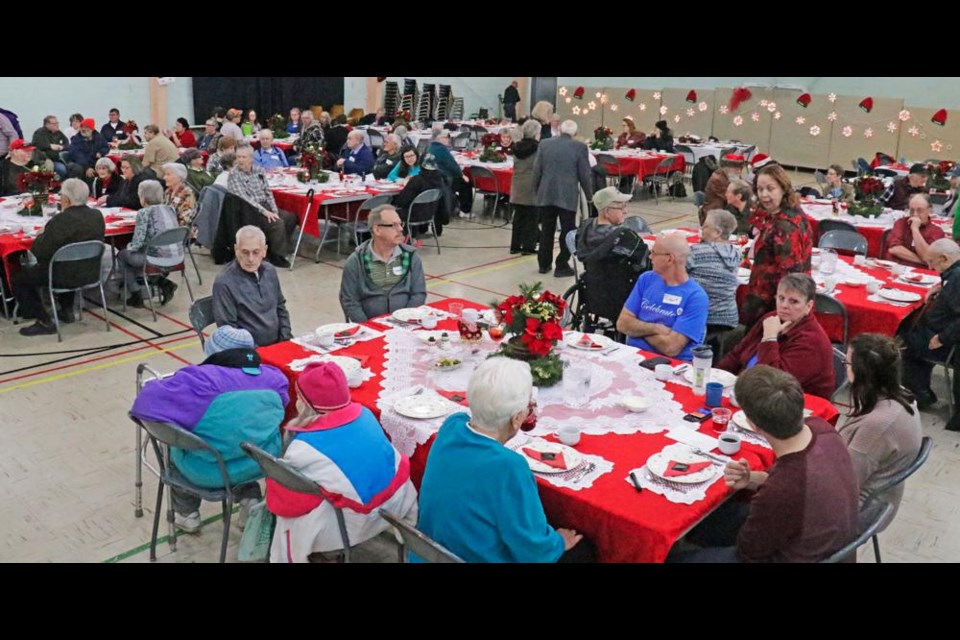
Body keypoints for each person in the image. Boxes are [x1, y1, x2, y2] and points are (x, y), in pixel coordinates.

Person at [674, 366, 859, 563]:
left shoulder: (783, 488)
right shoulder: (822, 429)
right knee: (712, 520)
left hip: (791, 554)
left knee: (674, 556)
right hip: (826, 538)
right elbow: (794, 486)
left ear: (753, 425)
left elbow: (749, 551)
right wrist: (752, 479)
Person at [417, 358, 592, 563]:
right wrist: (559, 542)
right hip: (471, 556)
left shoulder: (452, 425)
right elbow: (533, 551)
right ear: (517, 418)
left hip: (427, 552)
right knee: (582, 549)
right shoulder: (509, 466)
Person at [130, 325, 288, 534]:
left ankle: (187, 514)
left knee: (173, 445)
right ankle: (249, 499)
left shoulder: (198, 381)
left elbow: (146, 403)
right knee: (243, 437)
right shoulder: (275, 379)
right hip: (260, 464)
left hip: (209, 473)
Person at [268, 361, 418, 563]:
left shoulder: (303, 447)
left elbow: (287, 502)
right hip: (396, 506)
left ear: (305, 404)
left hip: (357, 523)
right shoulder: (365, 413)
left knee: (290, 522)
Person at [839, 334, 922, 518]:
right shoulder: (902, 395)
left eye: (847, 363)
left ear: (862, 372)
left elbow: (843, 484)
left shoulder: (876, 427)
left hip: (855, 512)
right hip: (873, 497)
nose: (844, 367)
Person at [717, 273, 834, 399]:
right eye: (781, 298)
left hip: (792, 405)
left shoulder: (812, 340)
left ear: (809, 306)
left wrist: (769, 338)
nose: (784, 305)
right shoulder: (771, 318)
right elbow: (737, 354)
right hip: (749, 390)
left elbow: (774, 384)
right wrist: (715, 378)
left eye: (793, 301)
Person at [13, 179, 106, 336]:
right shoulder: (97, 216)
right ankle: (66, 309)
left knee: (19, 278)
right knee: (67, 261)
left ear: (66, 199)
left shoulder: (61, 220)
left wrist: (43, 234)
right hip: (90, 271)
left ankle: (44, 320)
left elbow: (39, 251)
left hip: (63, 275)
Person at [898, 238, 960, 430]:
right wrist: (941, 287)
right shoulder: (954, 273)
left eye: (932, 263)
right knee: (912, 333)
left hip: (949, 342)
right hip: (944, 333)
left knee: (903, 341)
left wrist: (943, 338)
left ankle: (919, 393)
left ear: (944, 258)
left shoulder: (957, 278)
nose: (931, 268)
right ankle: (921, 390)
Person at [617, 232, 708, 361]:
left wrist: (637, 330)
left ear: (669, 259)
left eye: (653, 252)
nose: (649, 257)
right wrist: (656, 328)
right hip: (633, 357)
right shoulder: (646, 279)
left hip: (669, 366)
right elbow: (622, 324)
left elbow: (671, 348)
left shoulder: (696, 297)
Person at [741, 164, 812, 328]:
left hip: (772, 307)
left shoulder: (784, 226)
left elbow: (790, 276)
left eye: (770, 188)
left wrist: (782, 317)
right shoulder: (791, 212)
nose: (764, 194)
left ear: (783, 188)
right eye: (759, 189)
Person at [339, 205, 426, 322]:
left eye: (401, 224)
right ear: (377, 230)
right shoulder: (355, 261)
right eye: (394, 225)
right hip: (371, 328)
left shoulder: (411, 256)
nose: (400, 229)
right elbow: (350, 302)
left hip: (406, 324)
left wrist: (405, 320)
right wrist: (369, 327)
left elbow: (418, 294)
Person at [576, 187, 650, 324]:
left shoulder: (584, 229)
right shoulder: (625, 237)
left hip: (593, 294)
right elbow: (645, 264)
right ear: (607, 211)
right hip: (621, 298)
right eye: (621, 207)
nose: (625, 211)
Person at [212, 226, 293, 347]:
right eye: (245, 252)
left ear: (264, 251)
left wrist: (285, 341)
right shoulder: (224, 282)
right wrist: (258, 353)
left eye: (256, 252)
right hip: (250, 353)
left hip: (278, 345)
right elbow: (229, 332)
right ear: (236, 250)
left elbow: (280, 308)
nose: (250, 259)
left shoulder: (270, 271)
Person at [534, 119, 593, 278]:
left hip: (546, 193)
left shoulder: (544, 144)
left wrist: (536, 190)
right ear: (574, 132)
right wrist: (589, 196)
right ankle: (561, 264)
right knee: (568, 230)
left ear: (560, 130)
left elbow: (537, 170)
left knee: (547, 229)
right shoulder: (580, 147)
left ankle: (543, 264)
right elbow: (584, 175)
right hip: (567, 195)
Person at [116, 180, 183, 308]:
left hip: (155, 259)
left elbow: (137, 242)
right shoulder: (170, 209)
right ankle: (162, 282)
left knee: (123, 255)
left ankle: (136, 294)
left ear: (143, 198)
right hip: (177, 256)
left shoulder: (144, 213)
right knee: (139, 255)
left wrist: (127, 247)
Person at [228, 145, 298, 266]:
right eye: (238, 157)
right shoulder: (234, 174)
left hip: (265, 205)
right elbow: (245, 198)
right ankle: (277, 255)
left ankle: (274, 246)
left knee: (290, 217)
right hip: (249, 210)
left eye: (243, 157)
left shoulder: (259, 170)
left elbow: (267, 191)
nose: (240, 160)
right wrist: (265, 212)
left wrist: (274, 209)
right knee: (277, 223)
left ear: (251, 158)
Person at [687, 210, 742, 337]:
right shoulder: (735, 253)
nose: (702, 228)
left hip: (704, 316)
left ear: (717, 233)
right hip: (728, 316)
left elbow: (677, 277)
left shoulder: (696, 252)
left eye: (705, 226)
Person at [510, 119, 542, 256]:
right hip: (532, 185)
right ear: (536, 134)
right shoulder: (538, 148)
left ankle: (515, 246)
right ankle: (529, 246)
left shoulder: (516, 147)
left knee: (518, 216)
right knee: (532, 217)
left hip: (517, 184)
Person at [885, 194, 945, 266]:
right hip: (896, 266)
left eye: (920, 210)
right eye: (912, 210)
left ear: (929, 210)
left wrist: (915, 229)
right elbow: (894, 249)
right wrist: (923, 262)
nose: (915, 214)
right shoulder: (901, 223)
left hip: (921, 272)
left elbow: (926, 256)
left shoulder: (936, 231)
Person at [427, 129, 473, 216]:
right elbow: (453, 166)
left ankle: (455, 204)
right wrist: (462, 175)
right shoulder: (442, 149)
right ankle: (465, 210)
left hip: (434, 178)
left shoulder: (430, 147)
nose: (448, 139)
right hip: (445, 178)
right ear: (439, 138)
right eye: (446, 137)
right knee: (466, 183)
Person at [701, 153, 745, 225]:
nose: (739, 172)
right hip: (715, 217)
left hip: (726, 212)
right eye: (736, 169)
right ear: (727, 167)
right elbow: (734, 199)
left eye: (741, 169)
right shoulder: (718, 179)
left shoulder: (731, 176)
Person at [162, 163, 197, 228]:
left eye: (168, 174)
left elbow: (186, 219)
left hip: (182, 231)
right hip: (168, 227)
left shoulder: (187, 193)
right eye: (165, 174)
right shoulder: (168, 192)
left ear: (179, 177)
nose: (164, 177)